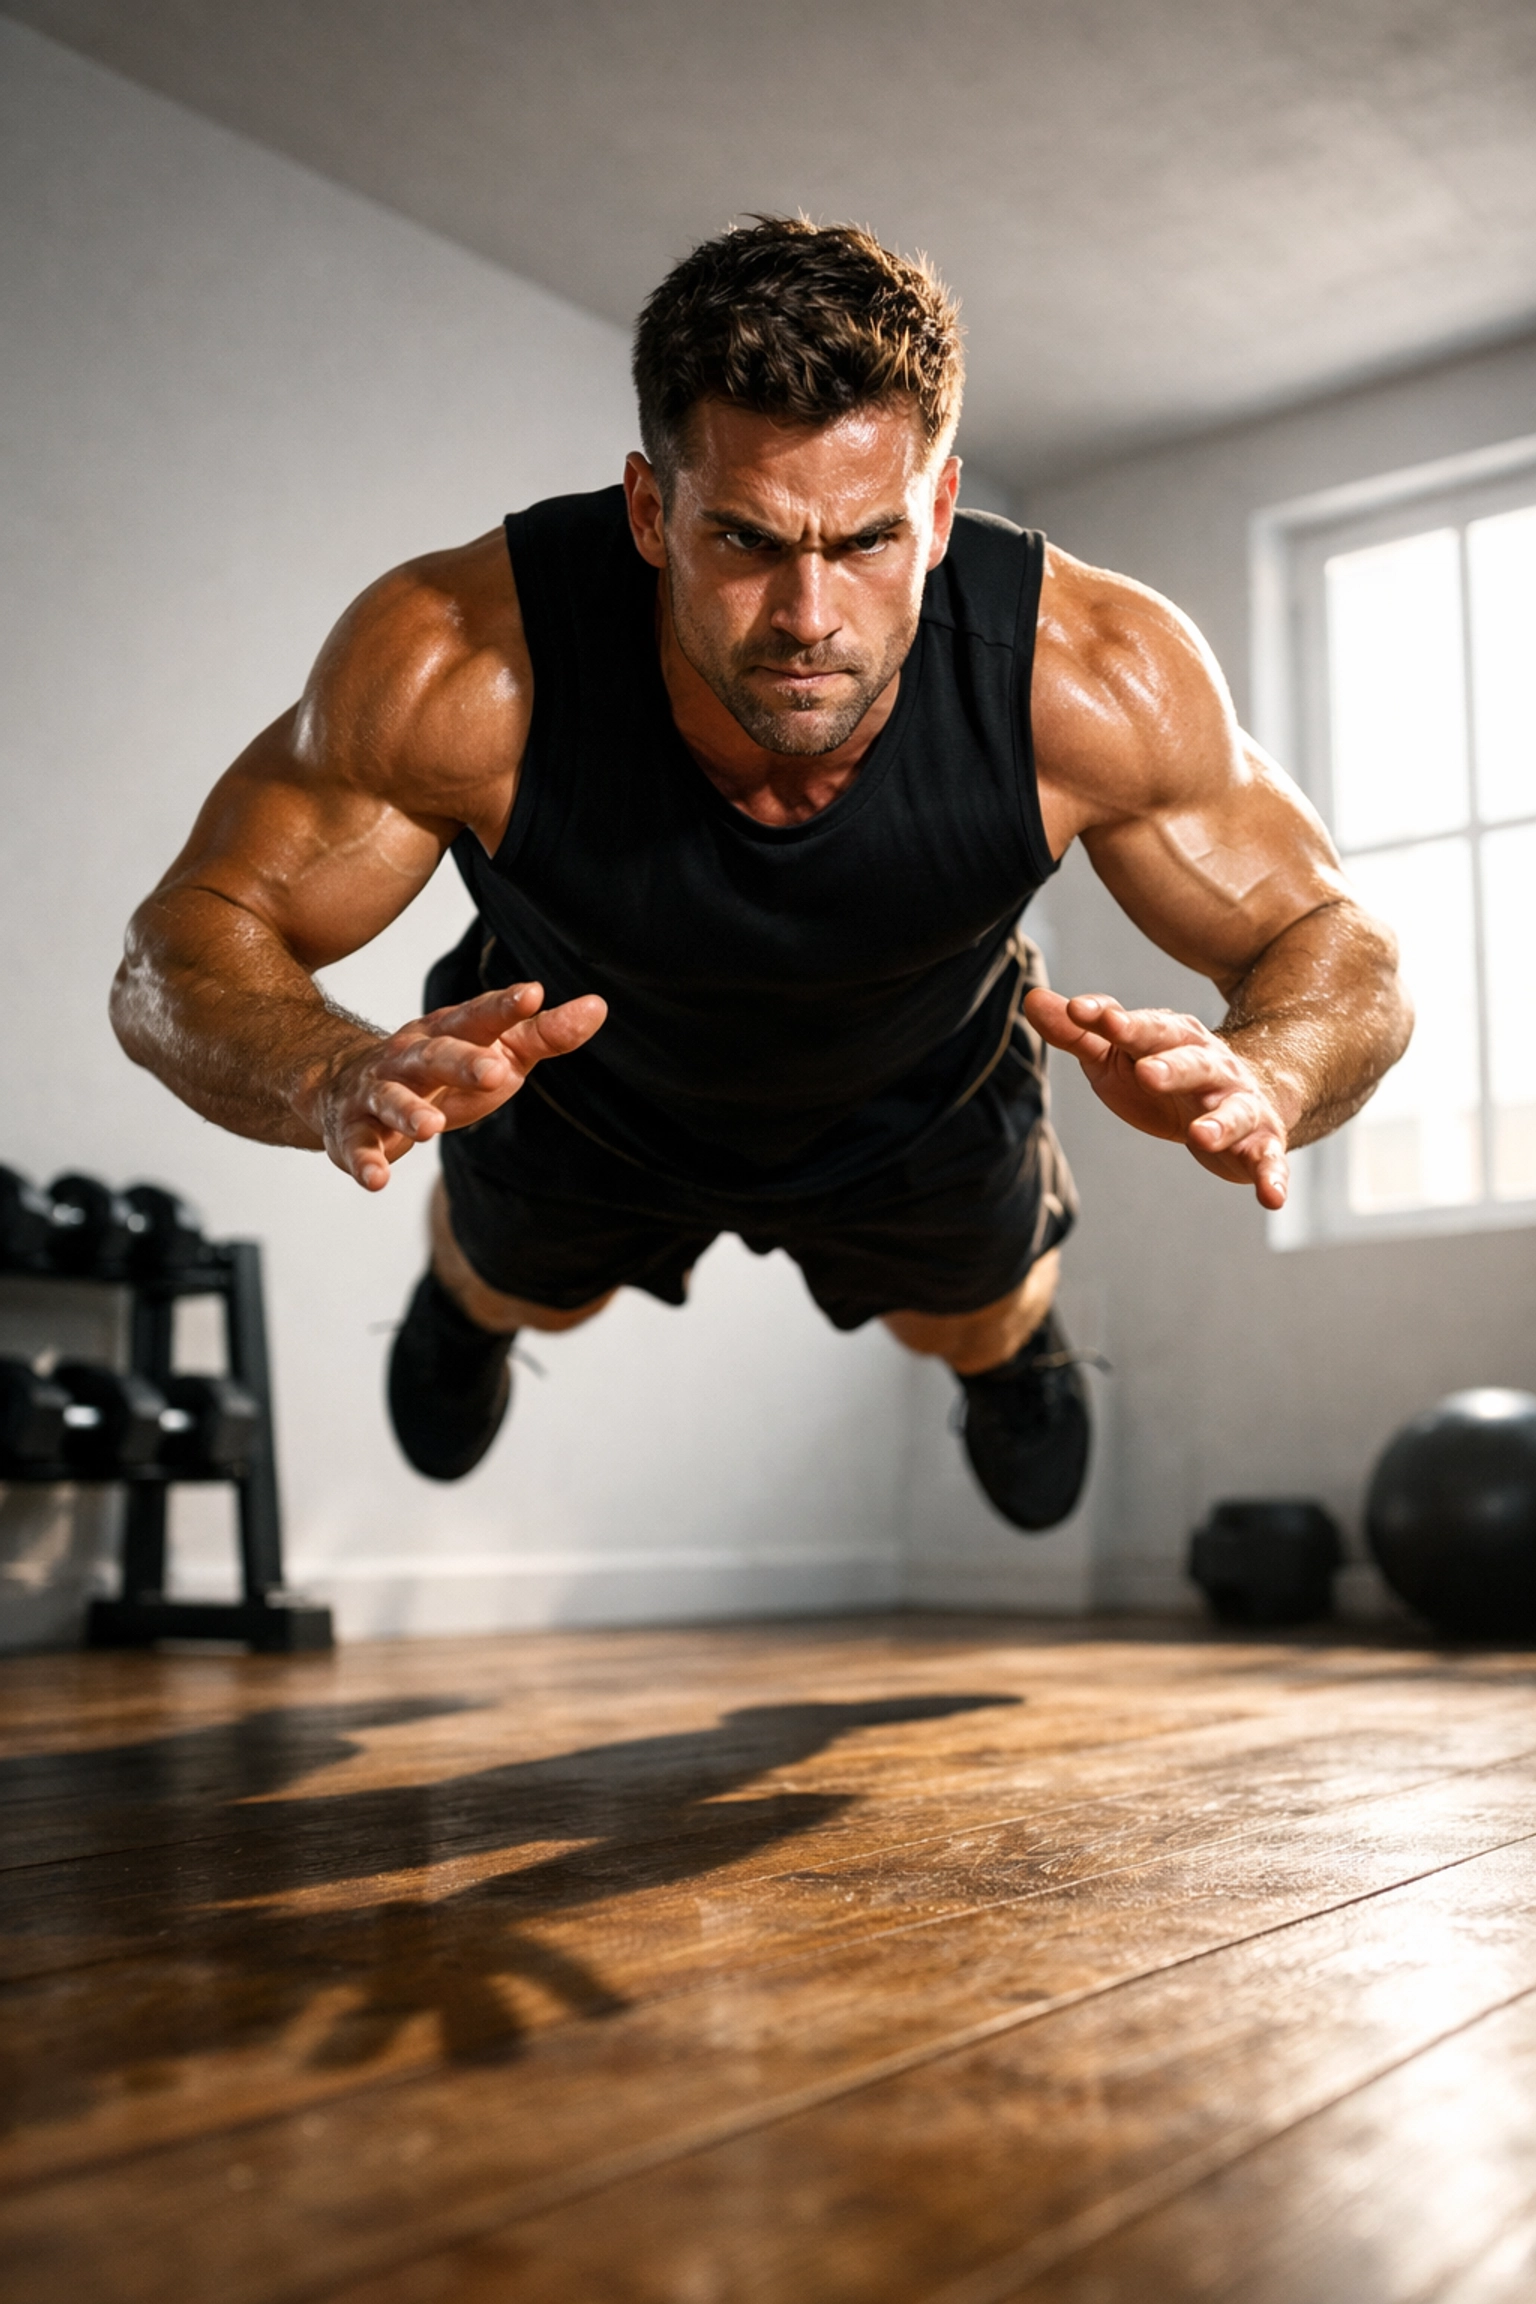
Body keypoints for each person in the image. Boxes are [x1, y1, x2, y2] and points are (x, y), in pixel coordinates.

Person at [111, 219, 1410, 1530]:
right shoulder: (462, 663)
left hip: (923, 1092)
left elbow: (1335, 940)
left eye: (867, 543)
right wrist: (329, 1074)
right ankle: (470, 1303)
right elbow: (181, 948)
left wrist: (1271, 1072)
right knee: (525, 1287)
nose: (809, 618)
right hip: (574, 1084)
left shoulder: (1089, 678)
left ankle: (1009, 1354)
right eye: (745, 542)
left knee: (966, 1315)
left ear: (940, 511)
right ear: (649, 511)